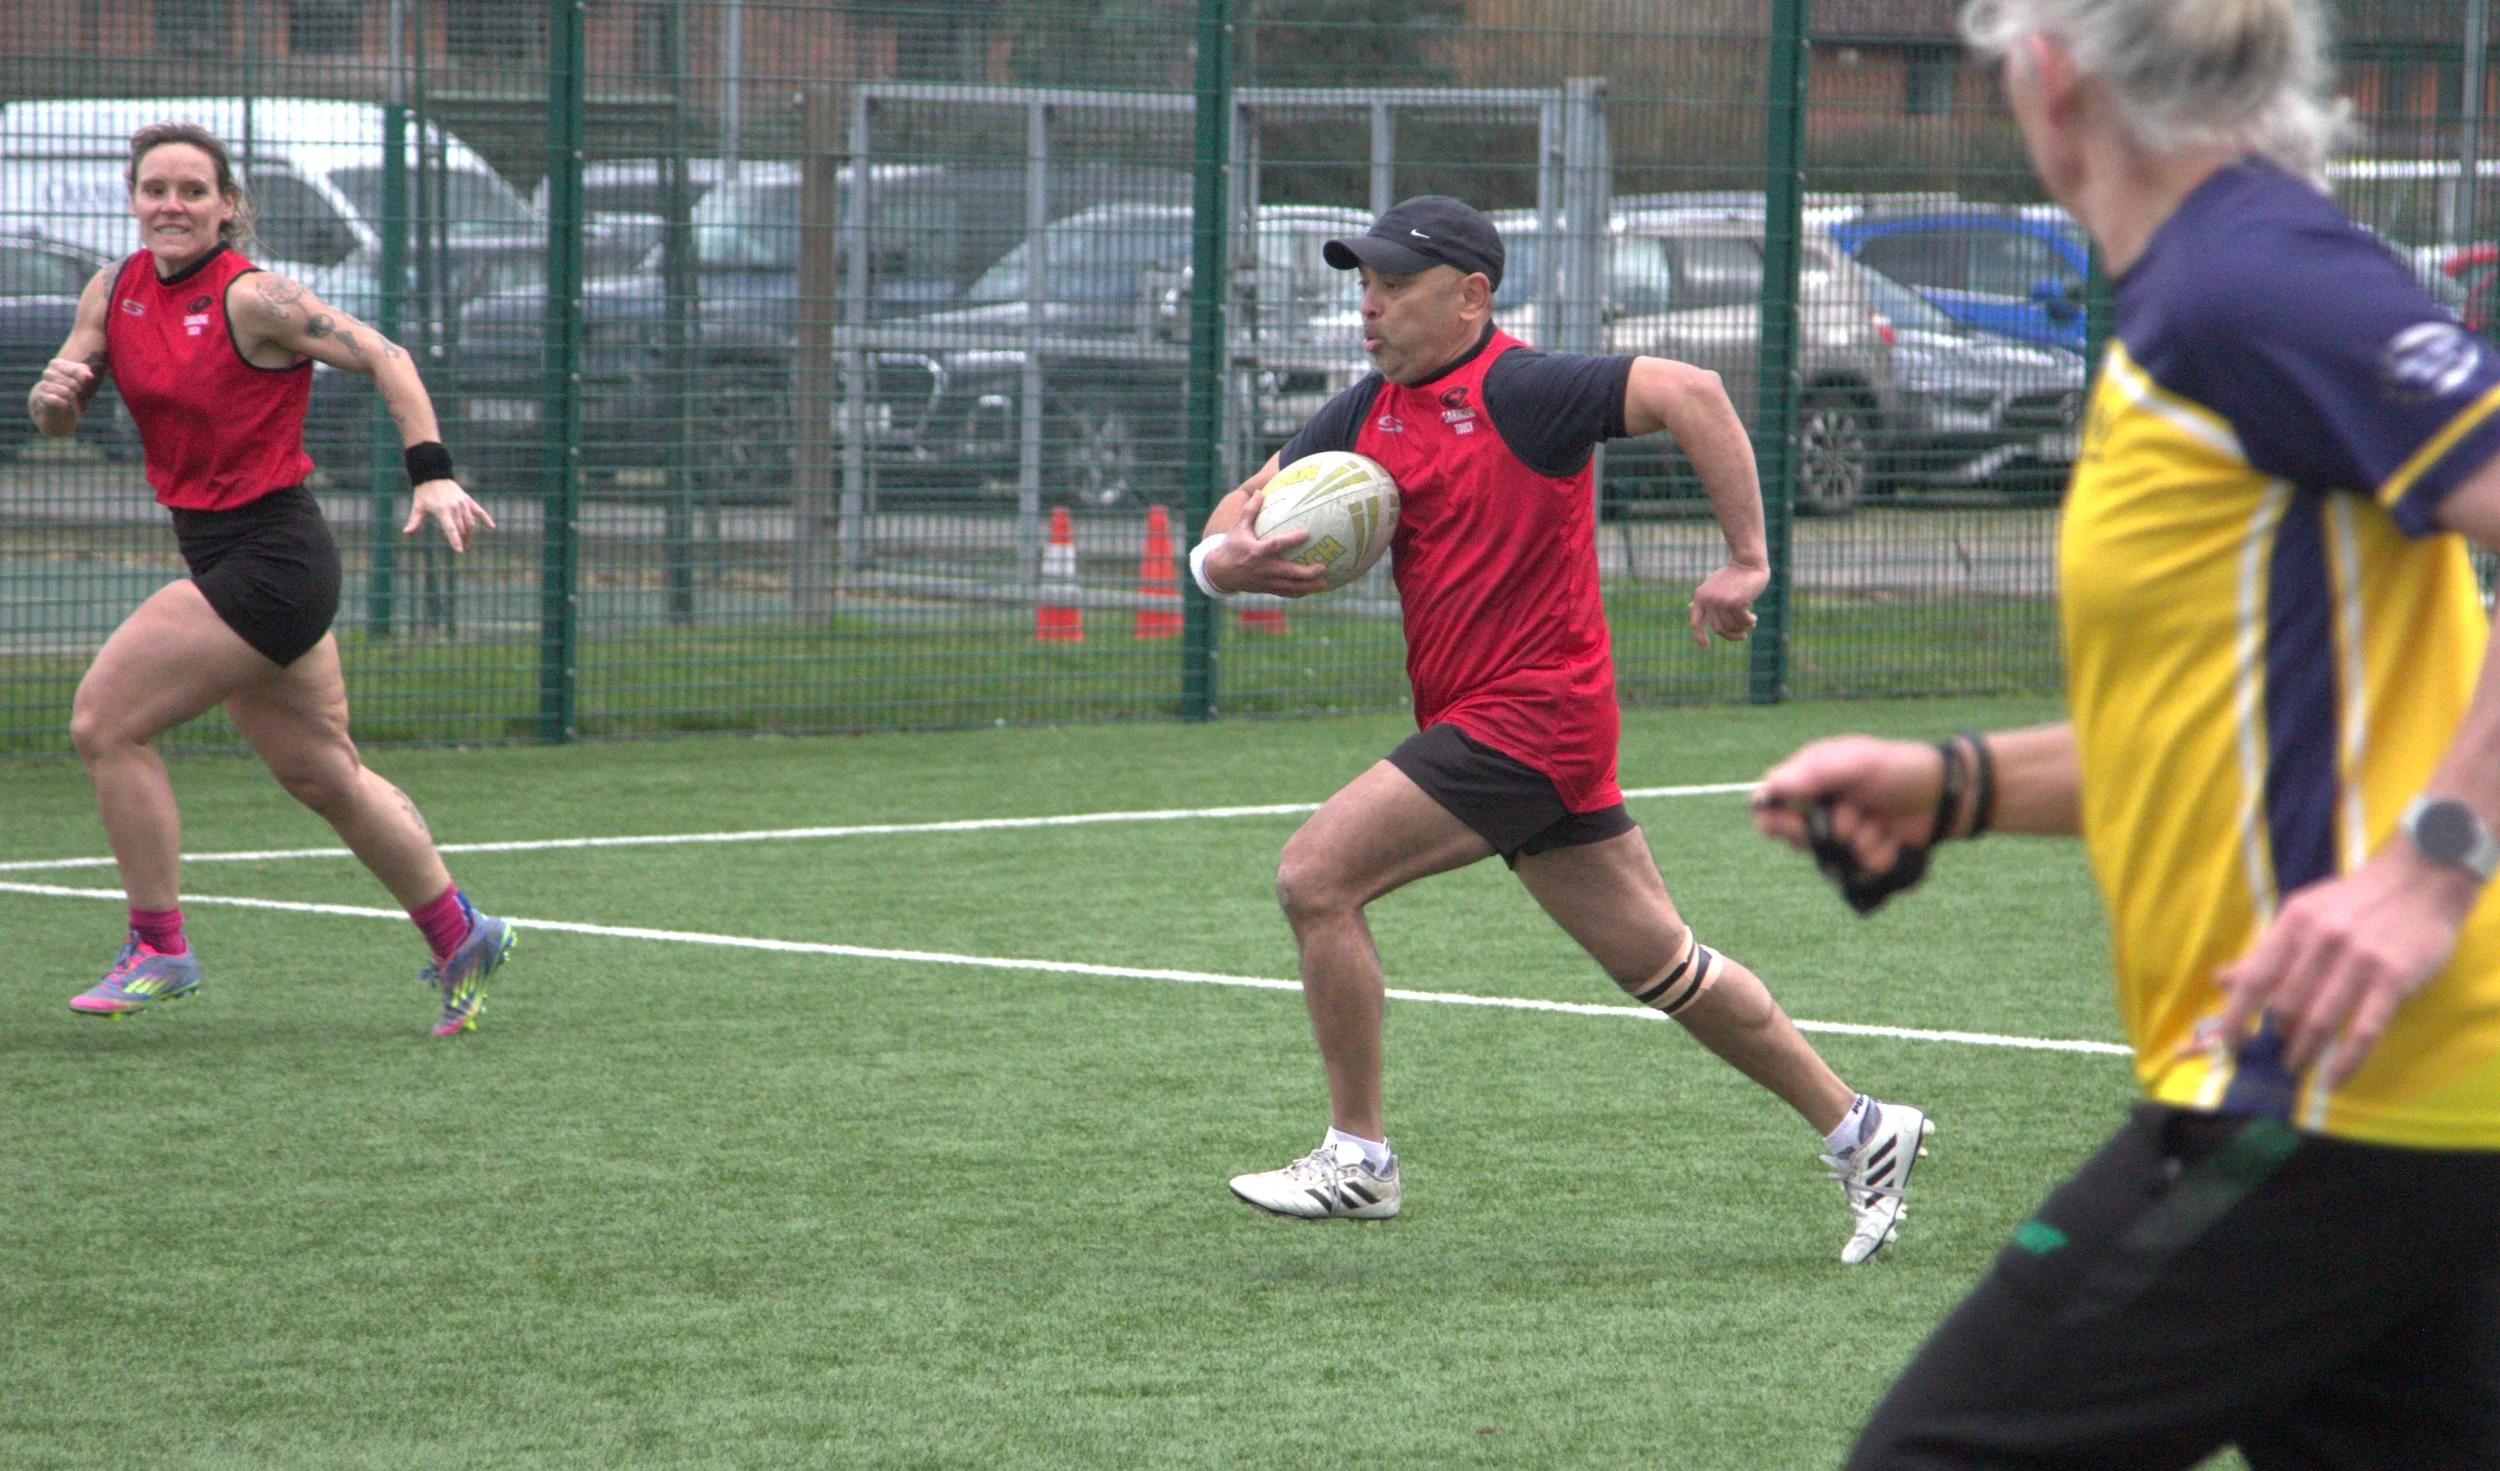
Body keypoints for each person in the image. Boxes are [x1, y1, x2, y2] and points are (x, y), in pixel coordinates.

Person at [1754, 1, 2500, 1464]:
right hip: (2397, 1099)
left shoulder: (2253, 282)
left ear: (2047, 75)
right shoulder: (2199, 299)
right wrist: (1954, 783)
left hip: (2334, 1084)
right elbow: (2227, 737)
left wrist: (2433, 865)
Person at [1200, 195, 1931, 1262]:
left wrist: (1744, 558)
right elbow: (1233, 515)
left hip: (1529, 719)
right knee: (1662, 965)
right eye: (1361, 285)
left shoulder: (1521, 388)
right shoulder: (1365, 412)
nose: (1369, 308)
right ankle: (1863, 1127)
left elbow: (1694, 390)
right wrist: (1229, 562)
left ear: (1470, 296)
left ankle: (1358, 1157)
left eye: (1393, 286)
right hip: (1506, 726)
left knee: (1315, 877)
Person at [26, 122, 516, 1037]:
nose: (171, 205)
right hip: (218, 553)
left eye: (193, 191)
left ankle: (159, 947)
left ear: (226, 206)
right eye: (155, 189)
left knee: (104, 722)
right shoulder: (113, 288)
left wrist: (433, 471)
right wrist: (52, 403)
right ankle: (463, 934)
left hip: (274, 558)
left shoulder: (256, 297)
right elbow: (61, 413)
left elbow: (387, 356)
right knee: (324, 772)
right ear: (133, 198)